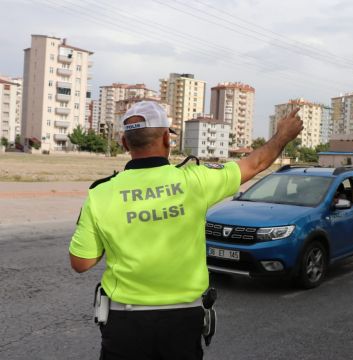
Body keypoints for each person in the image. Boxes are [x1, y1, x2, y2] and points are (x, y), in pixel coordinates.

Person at [68, 101, 302, 359]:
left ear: (125, 143)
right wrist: (283, 135)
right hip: (182, 321)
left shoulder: (101, 193)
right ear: (167, 139)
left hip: (125, 321)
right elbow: (255, 164)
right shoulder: (196, 180)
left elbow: (81, 262)